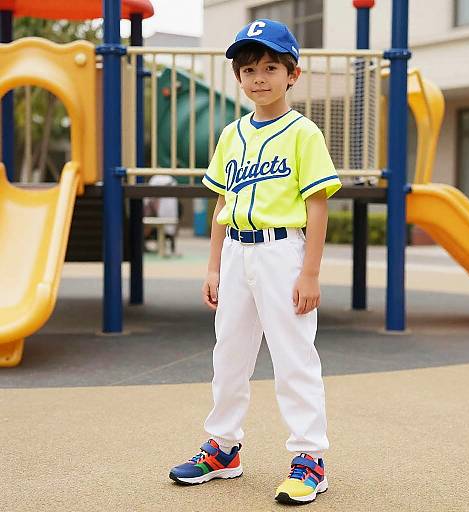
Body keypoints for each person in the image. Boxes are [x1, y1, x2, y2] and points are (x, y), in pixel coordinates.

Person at [168, 19, 341, 505]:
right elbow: (222, 206)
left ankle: (310, 460)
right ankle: (223, 449)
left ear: (293, 74)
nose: (259, 77)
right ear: (238, 79)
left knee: (293, 358)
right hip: (236, 252)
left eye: (270, 66)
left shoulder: (304, 133)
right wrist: (212, 265)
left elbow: (318, 205)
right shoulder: (231, 134)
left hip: (283, 251)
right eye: (248, 69)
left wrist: (310, 272)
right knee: (229, 355)